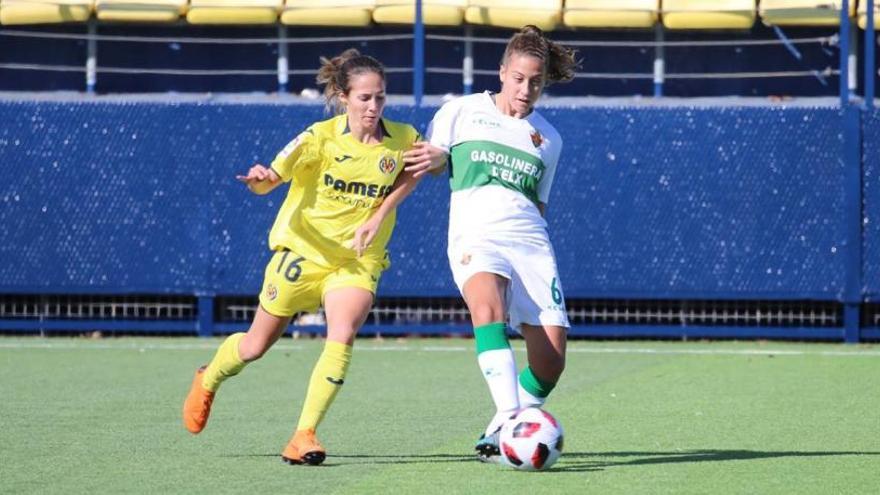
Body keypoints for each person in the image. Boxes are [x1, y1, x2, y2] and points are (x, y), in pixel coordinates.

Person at [182, 48, 422, 466]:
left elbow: (416, 170)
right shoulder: (318, 138)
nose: (373, 106)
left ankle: (303, 434)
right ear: (344, 97)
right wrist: (259, 180)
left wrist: (382, 211)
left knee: (342, 331)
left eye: (380, 97)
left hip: (355, 260)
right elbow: (269, 181)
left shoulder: (403, 138)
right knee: (255, 346)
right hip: (303, 254)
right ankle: (209, 377)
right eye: (364, 98)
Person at [403, 25, 578, 462]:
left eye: (535, 81)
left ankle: (500, 430)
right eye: (518, 78)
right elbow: (436, 159)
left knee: (551, 363)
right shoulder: (461, 111)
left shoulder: (549, 139)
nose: (526, 88)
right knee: (488, 311)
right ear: (502, 72)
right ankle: (510, 419)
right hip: (476, 233)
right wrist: (440, 158)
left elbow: (539, 206)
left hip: (530, 242)